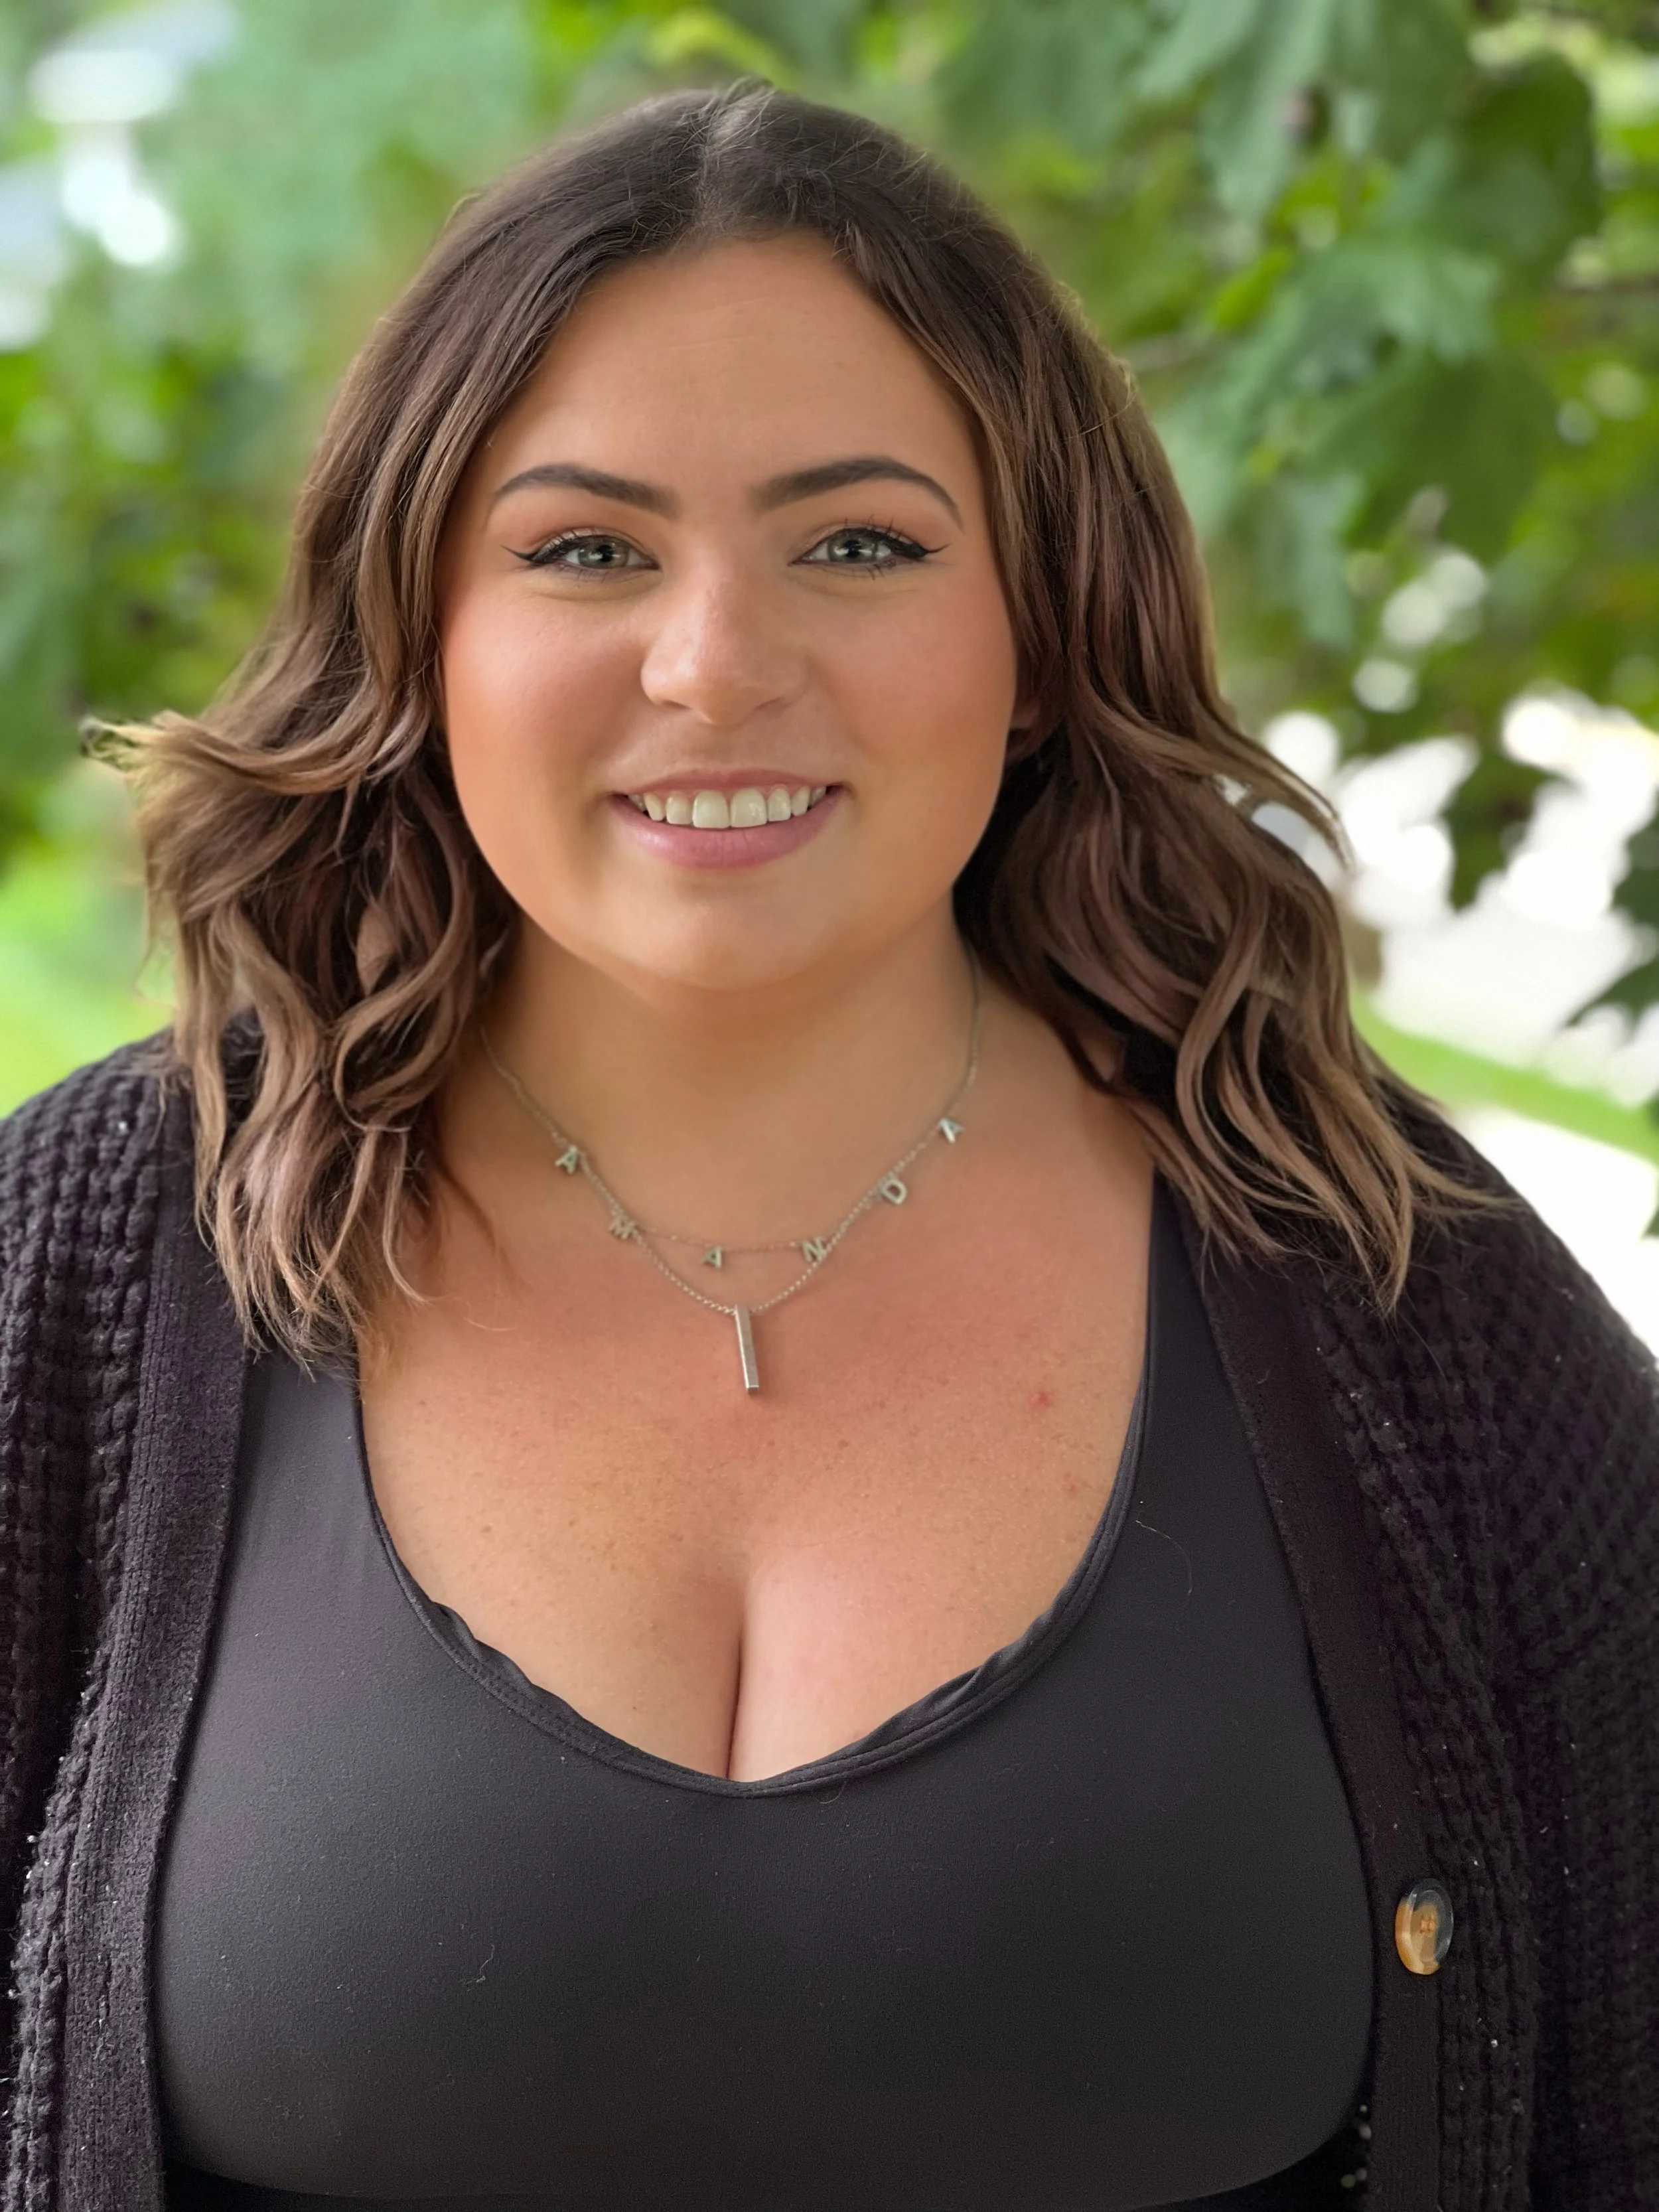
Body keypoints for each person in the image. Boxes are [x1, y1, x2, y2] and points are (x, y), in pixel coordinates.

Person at [1, 79, 1653, 2212]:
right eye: (584, 548)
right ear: (422, 631)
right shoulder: (85, 1264)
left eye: (857, 543)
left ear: (1043, 628)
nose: (716, 665)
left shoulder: (1397, 1284)